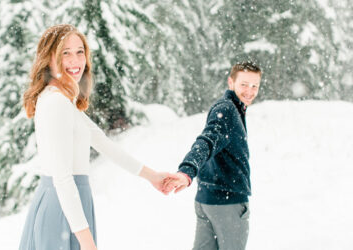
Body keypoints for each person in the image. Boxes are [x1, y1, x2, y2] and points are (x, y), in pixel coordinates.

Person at [19, 24, 172, 250]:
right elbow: (62, 178)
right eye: (65, 52)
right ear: (49, 58)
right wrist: (88, 244)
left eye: (80, 51)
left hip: (70, 206)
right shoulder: (56, 103)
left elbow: (102, 142)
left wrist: (153, 176)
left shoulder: (61, 100)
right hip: (63, 209)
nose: (75, 60)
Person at [164, 61, 262, 250]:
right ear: (231, 82)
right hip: (228, 202)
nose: (249, 91)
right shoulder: (227, 110)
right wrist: (187, 170)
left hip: (207, 199)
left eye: (254, 85)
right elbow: (207, 141)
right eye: (244, 84)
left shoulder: (230, 108)